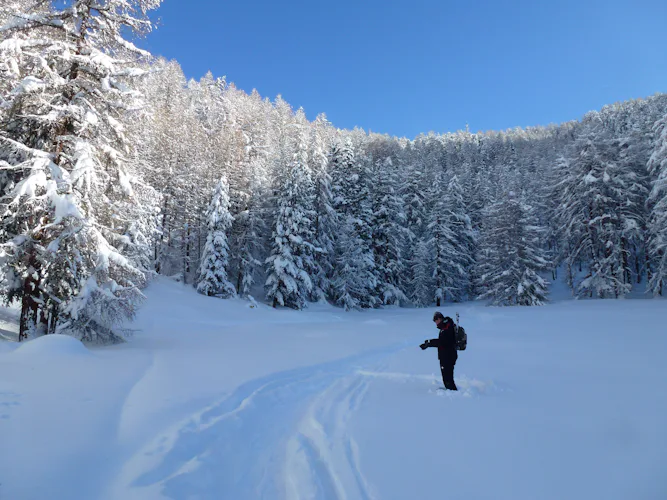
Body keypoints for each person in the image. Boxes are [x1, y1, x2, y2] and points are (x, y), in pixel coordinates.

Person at [420, 311, 458, 390]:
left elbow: (442, 342)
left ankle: (452, 392)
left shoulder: (447, 328)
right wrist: (429, 342)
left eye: (436, 320)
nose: (436, 323)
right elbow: (442, 341)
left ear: (440, 319)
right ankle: (450, 390)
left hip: (448, 356)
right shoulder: (445, 327)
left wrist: (429, 343)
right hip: (446, 355)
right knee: (447, 376)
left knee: (447, 377)